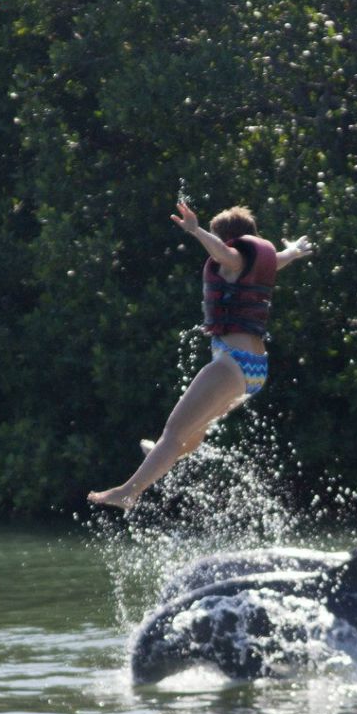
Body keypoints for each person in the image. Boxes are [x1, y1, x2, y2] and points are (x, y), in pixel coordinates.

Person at [87, 199, 313, 511]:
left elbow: (223, 253)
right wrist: (296, 250)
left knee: (173, 433)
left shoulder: (233, 259)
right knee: (192, 431)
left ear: (229, 239)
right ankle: (159, 460)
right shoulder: (263, 261)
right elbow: (282, 257)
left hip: (232, 364)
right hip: (255, 371)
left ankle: (128, 492)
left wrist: (196, 231)